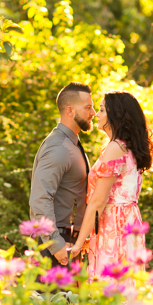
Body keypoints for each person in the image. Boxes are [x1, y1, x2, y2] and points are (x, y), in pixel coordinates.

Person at [69, 91, 153, 277]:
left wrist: (79, 241)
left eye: (101, 110)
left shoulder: (116, 148)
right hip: (127, 222)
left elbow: (98, 202)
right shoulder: (128, 147)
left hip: (113, 225)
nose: (95, 114)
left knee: (109, 288)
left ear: (116, 115)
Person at [29, 83, 96, 265]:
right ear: (70, 110)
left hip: (69, 243)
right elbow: (40, 199)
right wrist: (55, 243)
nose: (93, 113)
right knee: (52, 295)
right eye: (88, 107)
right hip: (55, 245)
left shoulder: (71, 143)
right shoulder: (59, 147)